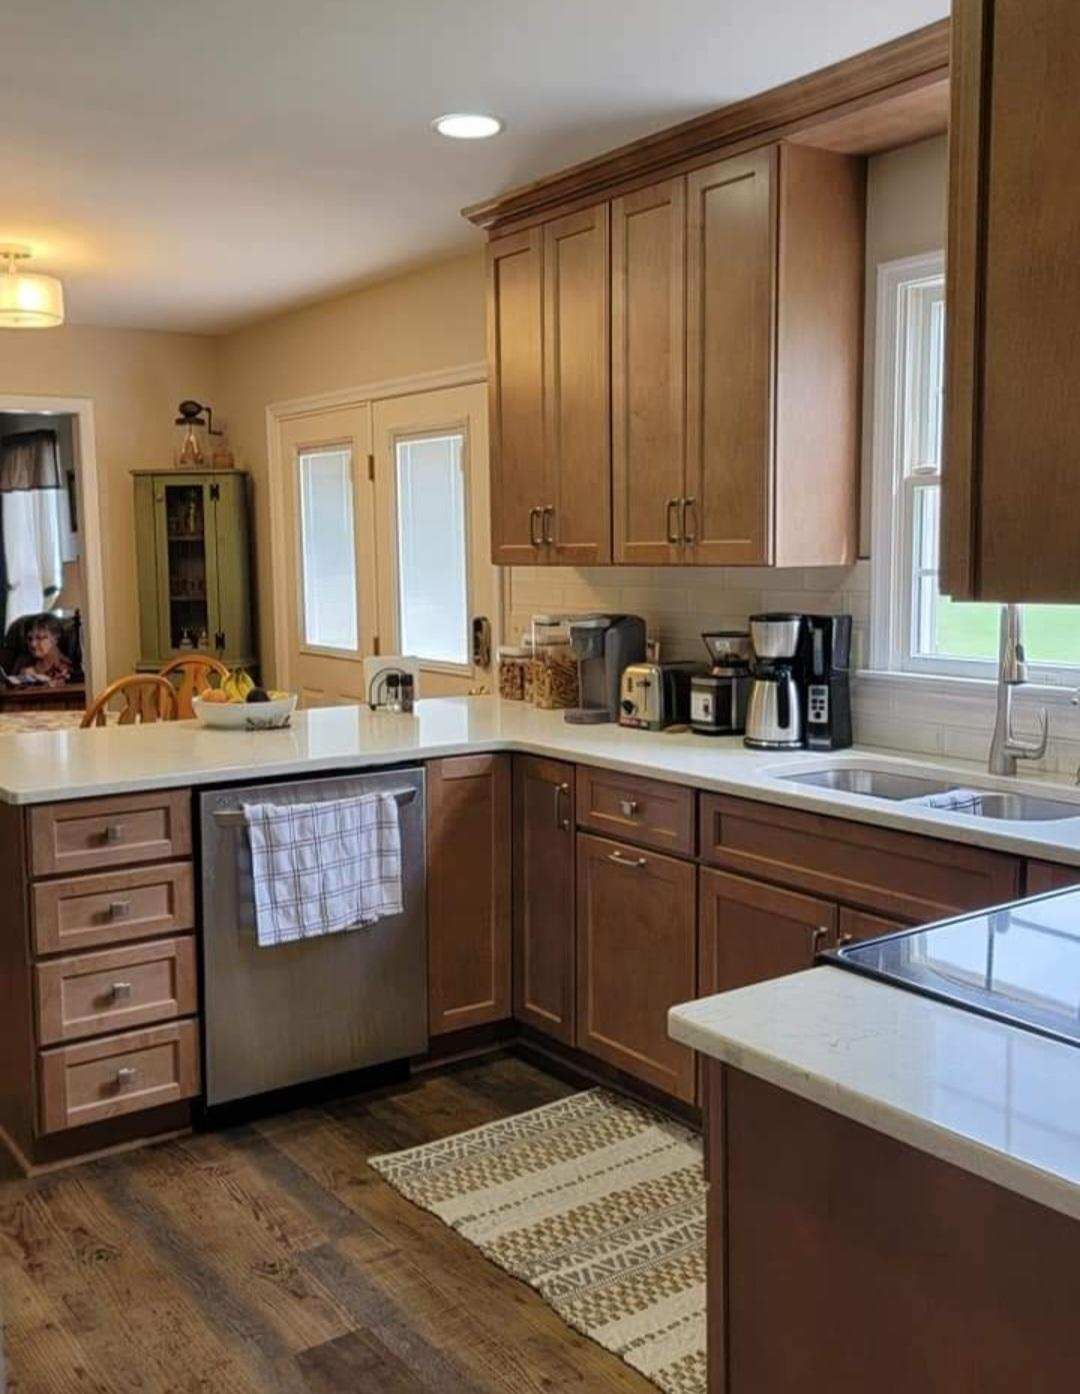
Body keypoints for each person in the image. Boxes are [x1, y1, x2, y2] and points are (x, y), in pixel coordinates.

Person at [14, 614, 72, 687]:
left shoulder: (68, 667)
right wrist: (21, 679)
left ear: (55, 638)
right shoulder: (22, 663)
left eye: (39, 638)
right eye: (29, 639)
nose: (33, 644)